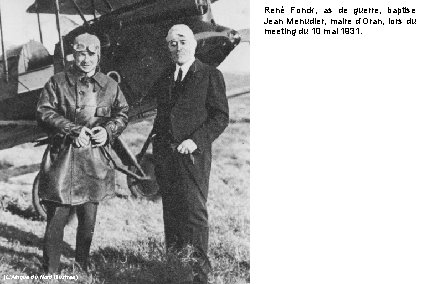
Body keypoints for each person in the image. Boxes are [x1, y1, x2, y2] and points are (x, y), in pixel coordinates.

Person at [36, 33, 129, 274]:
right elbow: (44, 112)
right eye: (80, 53)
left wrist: (108, 131)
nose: (85, 59)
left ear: (99, 55)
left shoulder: (110, 86)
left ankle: (81, 269)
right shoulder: (57, 82)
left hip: (94, 162)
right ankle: (50, 273)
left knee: (87, 222)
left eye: (91, 53)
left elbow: (122, 114)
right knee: (56, 219)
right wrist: (72, 130)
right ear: (73, 54)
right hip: (62, 160)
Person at [149, 24, 229, 283]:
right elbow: (162, 118)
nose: (178, 47)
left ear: (194, 44)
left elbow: (220, 117)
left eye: (182, 41)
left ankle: (198, 277)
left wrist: (195, 141)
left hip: (193, 159)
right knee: (171, 214)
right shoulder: (164, 78)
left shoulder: (210, 75)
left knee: (193, 217)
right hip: (166, 158)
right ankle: (176, 272)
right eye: (172, 43)